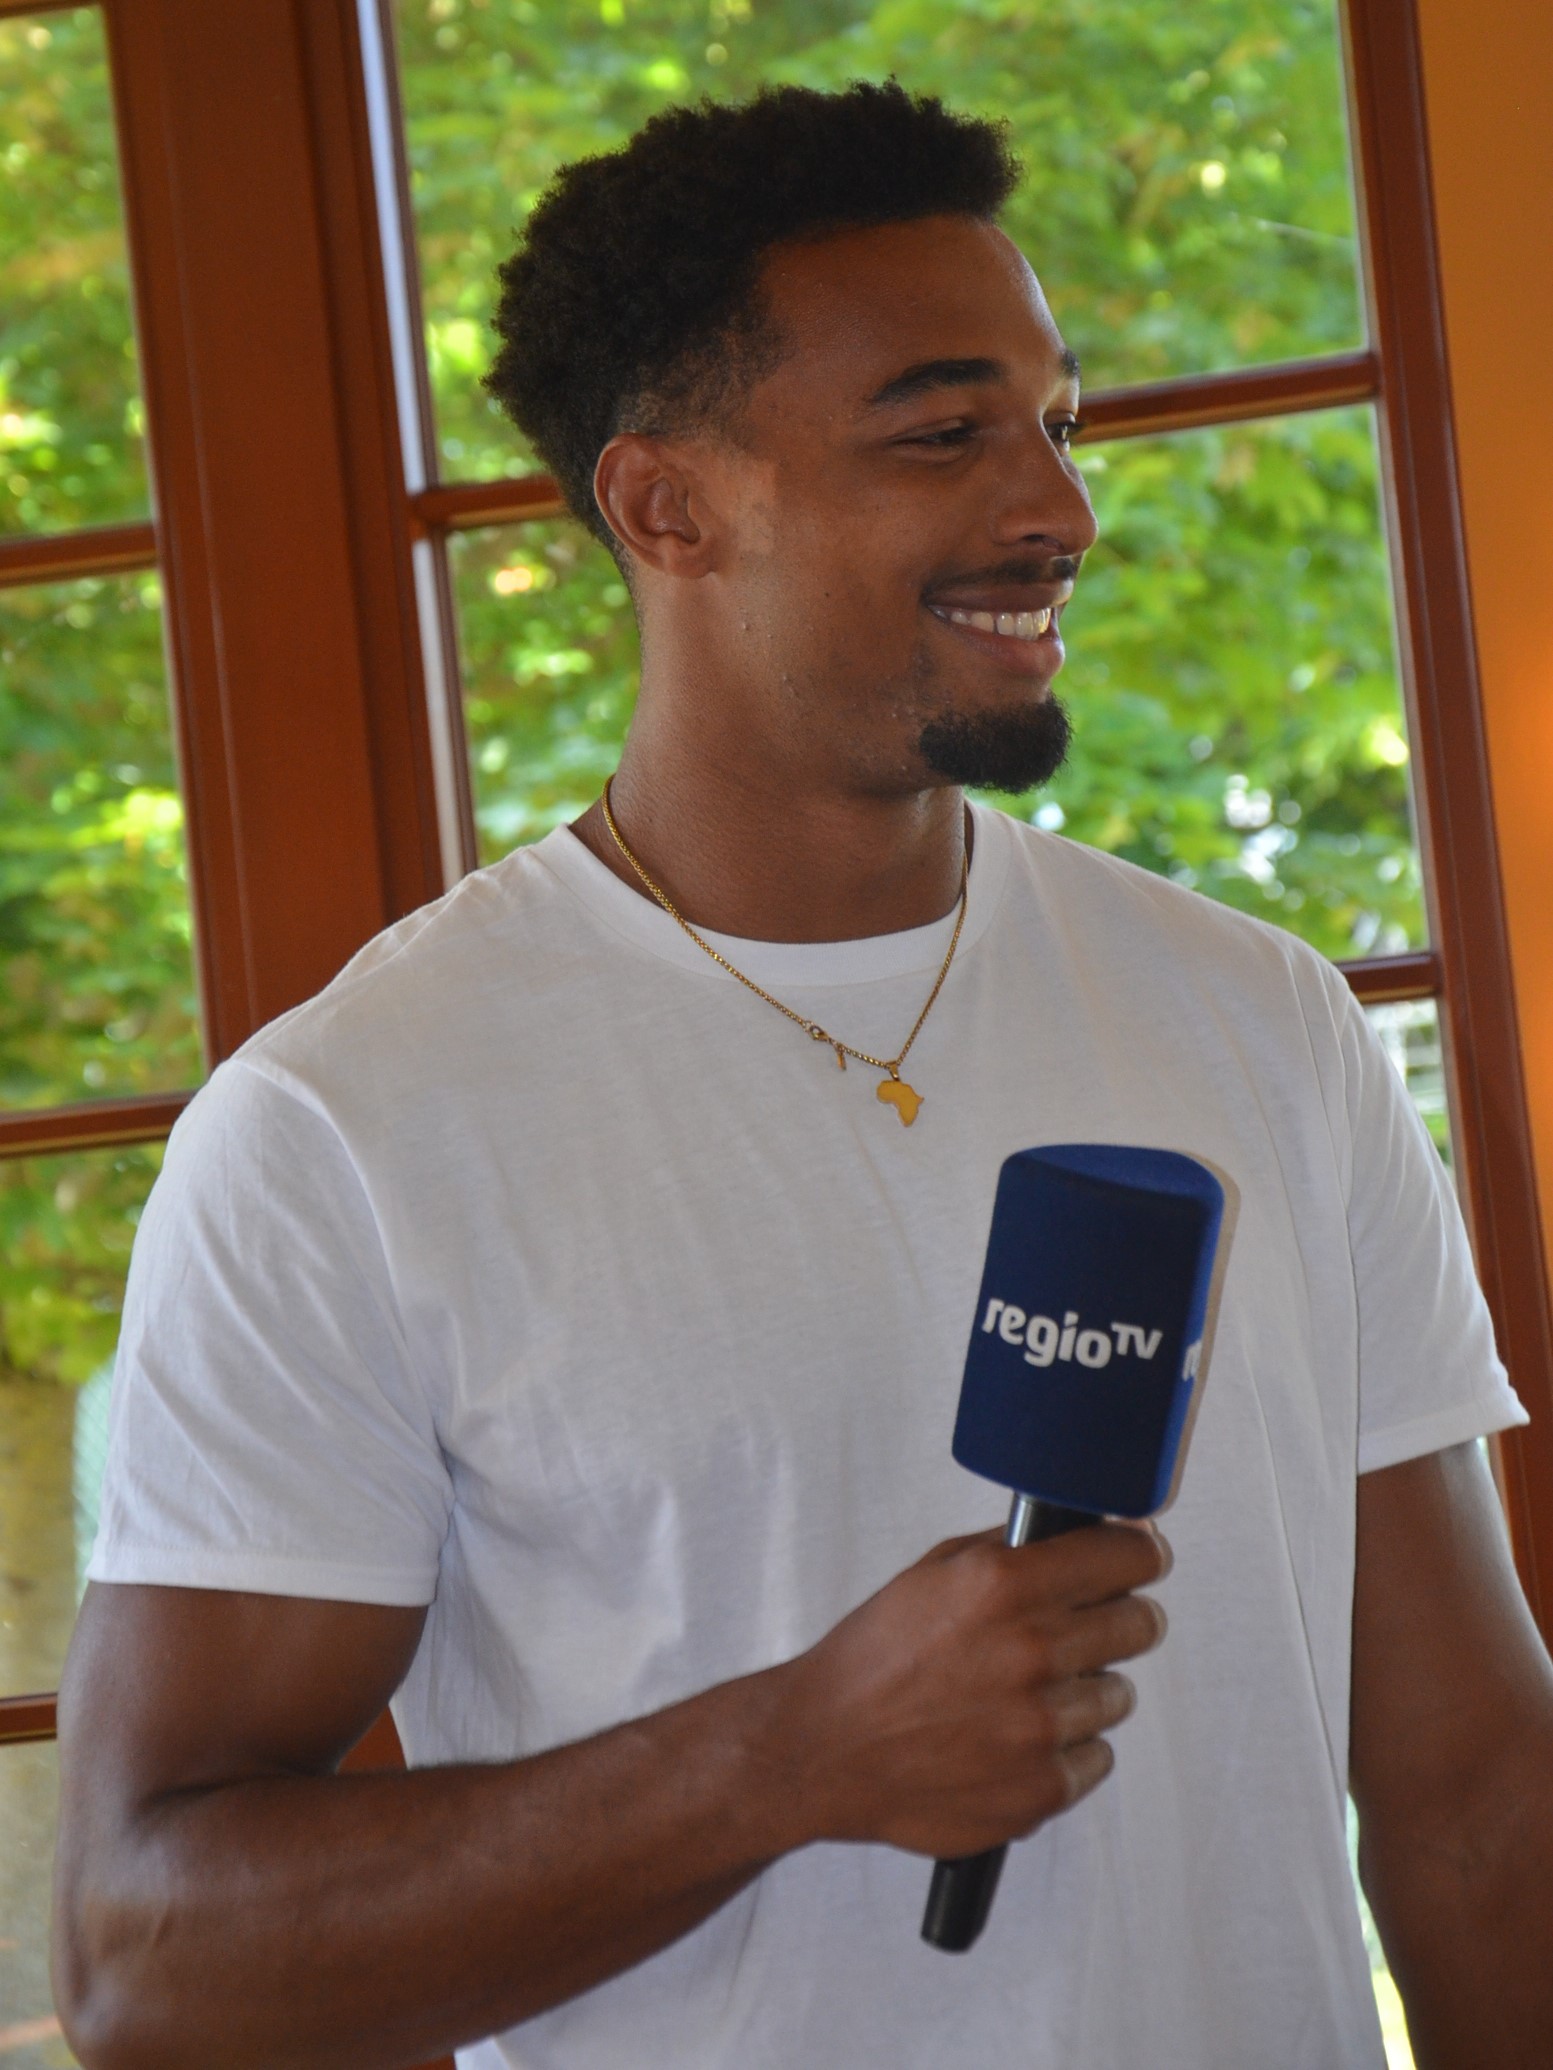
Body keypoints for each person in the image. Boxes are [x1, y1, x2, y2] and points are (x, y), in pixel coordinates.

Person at [53, 82, 1553, 2070]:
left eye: (1059, 424)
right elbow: (149, 1959)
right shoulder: (345, 1131)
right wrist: (787, 1754)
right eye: (942, 435)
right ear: (665, 507)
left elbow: (1477, 1809)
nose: (1057, 509)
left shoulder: (1258, 1020)